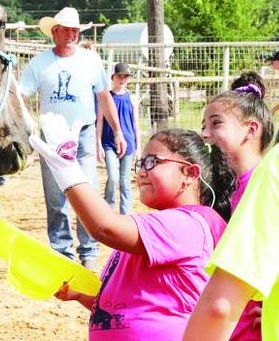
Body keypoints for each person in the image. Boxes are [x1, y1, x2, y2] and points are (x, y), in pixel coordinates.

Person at [30, 114, 236, 340]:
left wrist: (67, 170)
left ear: (190, 173)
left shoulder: (188, 225)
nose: (141, 172)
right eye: (141, 162)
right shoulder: (156, 229)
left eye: (152, 162)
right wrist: (81, 295)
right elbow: (122, 307)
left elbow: (104, 228)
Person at [18, 7, 127, 270]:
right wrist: (28, 127)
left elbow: (103, 97)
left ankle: (88, 250)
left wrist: (118, 129)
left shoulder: (90, 61)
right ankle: (62, 252)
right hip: (53, 137)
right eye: (66, 29)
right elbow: (20, 95)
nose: (71, 34)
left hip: (84, 133)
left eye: (75, 30)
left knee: (87, 191)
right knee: (56, 197)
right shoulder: (40, 63)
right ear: (54, 32)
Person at [184, 77, 278, 340]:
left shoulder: (266, 179)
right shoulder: (227, 190)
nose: (205, 134)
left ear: (251, 129)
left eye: (216, 123)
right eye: (204, 126)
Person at [97, 62, 140, 215]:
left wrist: (137, 147)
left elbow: (135, 124)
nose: (122, 79)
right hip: (109, 143)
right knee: (113, 178)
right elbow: (100, 122)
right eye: (119, 76)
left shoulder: (132, 98)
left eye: (125, 77)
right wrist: (98, 145)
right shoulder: (105, 98)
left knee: (125, 181)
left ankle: (125, 214)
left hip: (128, 144)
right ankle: (108, 210)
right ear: (113, 77)